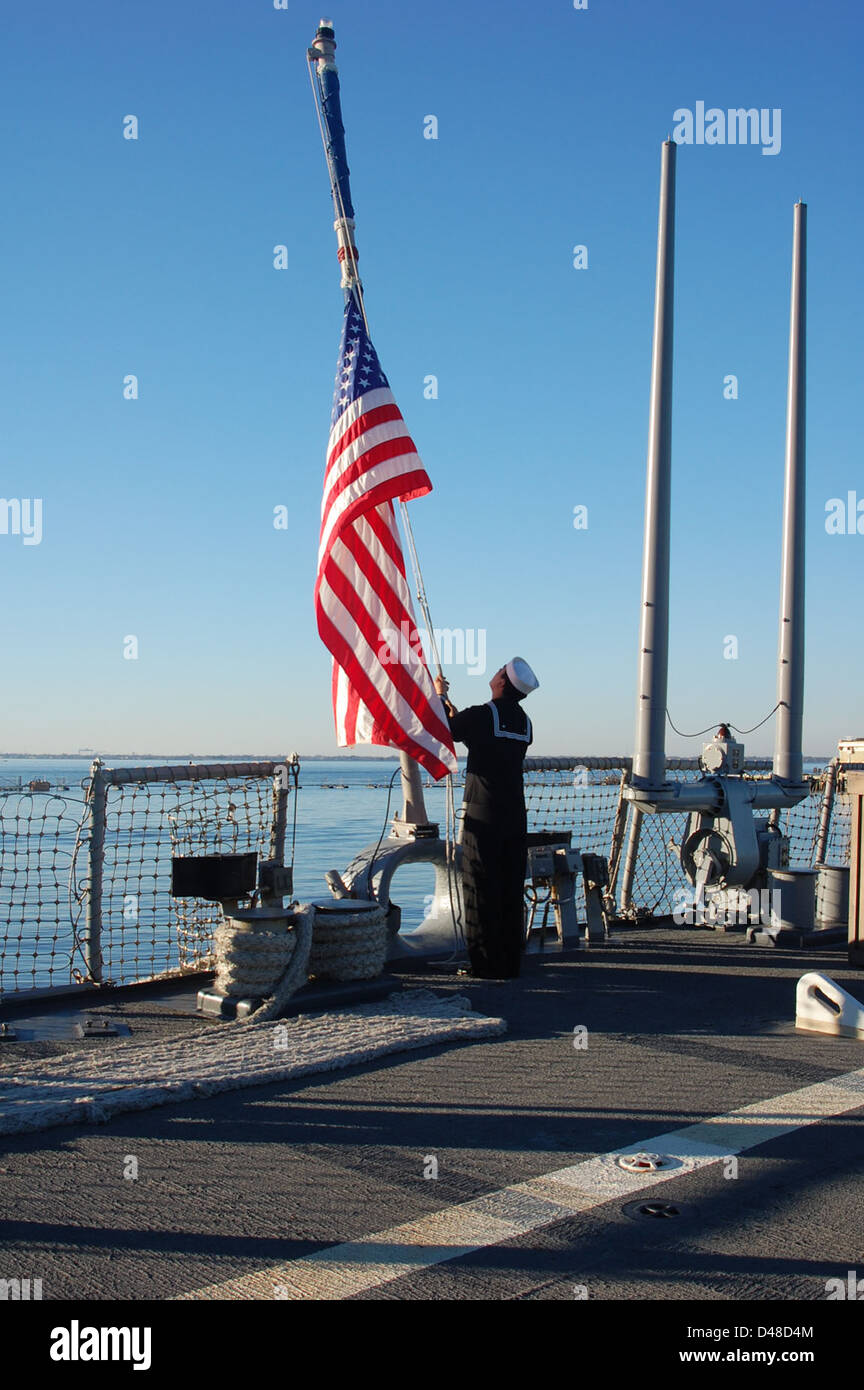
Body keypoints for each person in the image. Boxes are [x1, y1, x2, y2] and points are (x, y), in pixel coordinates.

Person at [434, 658, 539, 979]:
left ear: (502, 682)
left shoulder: (483, 714)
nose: (493, 673)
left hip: (483, 813)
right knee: (508, 885)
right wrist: (450, 705)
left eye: (498, 671)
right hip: (514, 816)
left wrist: (439, 695)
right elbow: (475, 731)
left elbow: (448, 730)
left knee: (480, 884)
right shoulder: (524, 723)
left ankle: (484, 965)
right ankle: (508, 962)